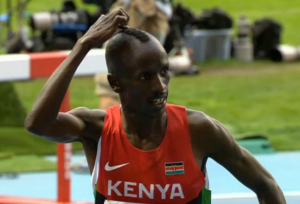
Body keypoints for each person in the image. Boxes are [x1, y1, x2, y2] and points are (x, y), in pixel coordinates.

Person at [24, 9, 286, 204]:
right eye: (145, 76)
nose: (160, 86)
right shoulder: (97, 130)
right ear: (115, 83)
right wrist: (82, 46)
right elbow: (37, 124)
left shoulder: (199, 130)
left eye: (164, 71)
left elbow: (267, 187)